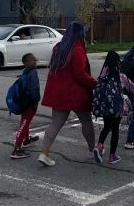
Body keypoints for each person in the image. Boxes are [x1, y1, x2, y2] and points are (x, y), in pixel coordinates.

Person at [38, 22, 98, 167]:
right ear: (80, 33)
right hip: (76, 93)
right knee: (86, 121)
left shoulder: (59, 48)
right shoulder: (77, 49)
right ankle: (92, 150)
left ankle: (44, 152)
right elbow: (80, 74)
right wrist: (95, 84)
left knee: (56, 123)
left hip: (59, 93)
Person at [94, 51, 134, 164]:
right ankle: (112, 156)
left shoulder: (102, 76)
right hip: (116, 107)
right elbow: (133, 89)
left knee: (106, 127)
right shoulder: (121, 76)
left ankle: (99, 146)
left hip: (105, 107)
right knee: (115, 130)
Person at [11, 53, 41, 160]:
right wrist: (36, 100)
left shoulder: (26, 72)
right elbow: (34, 89)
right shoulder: (32, 72)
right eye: (31, 60)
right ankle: (17, 149)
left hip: (24, 102)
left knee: (25, 121)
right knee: (24, 123)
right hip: (30, 103)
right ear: (25, 63)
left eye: (34, 59)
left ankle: (27, 139)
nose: (34, 62)